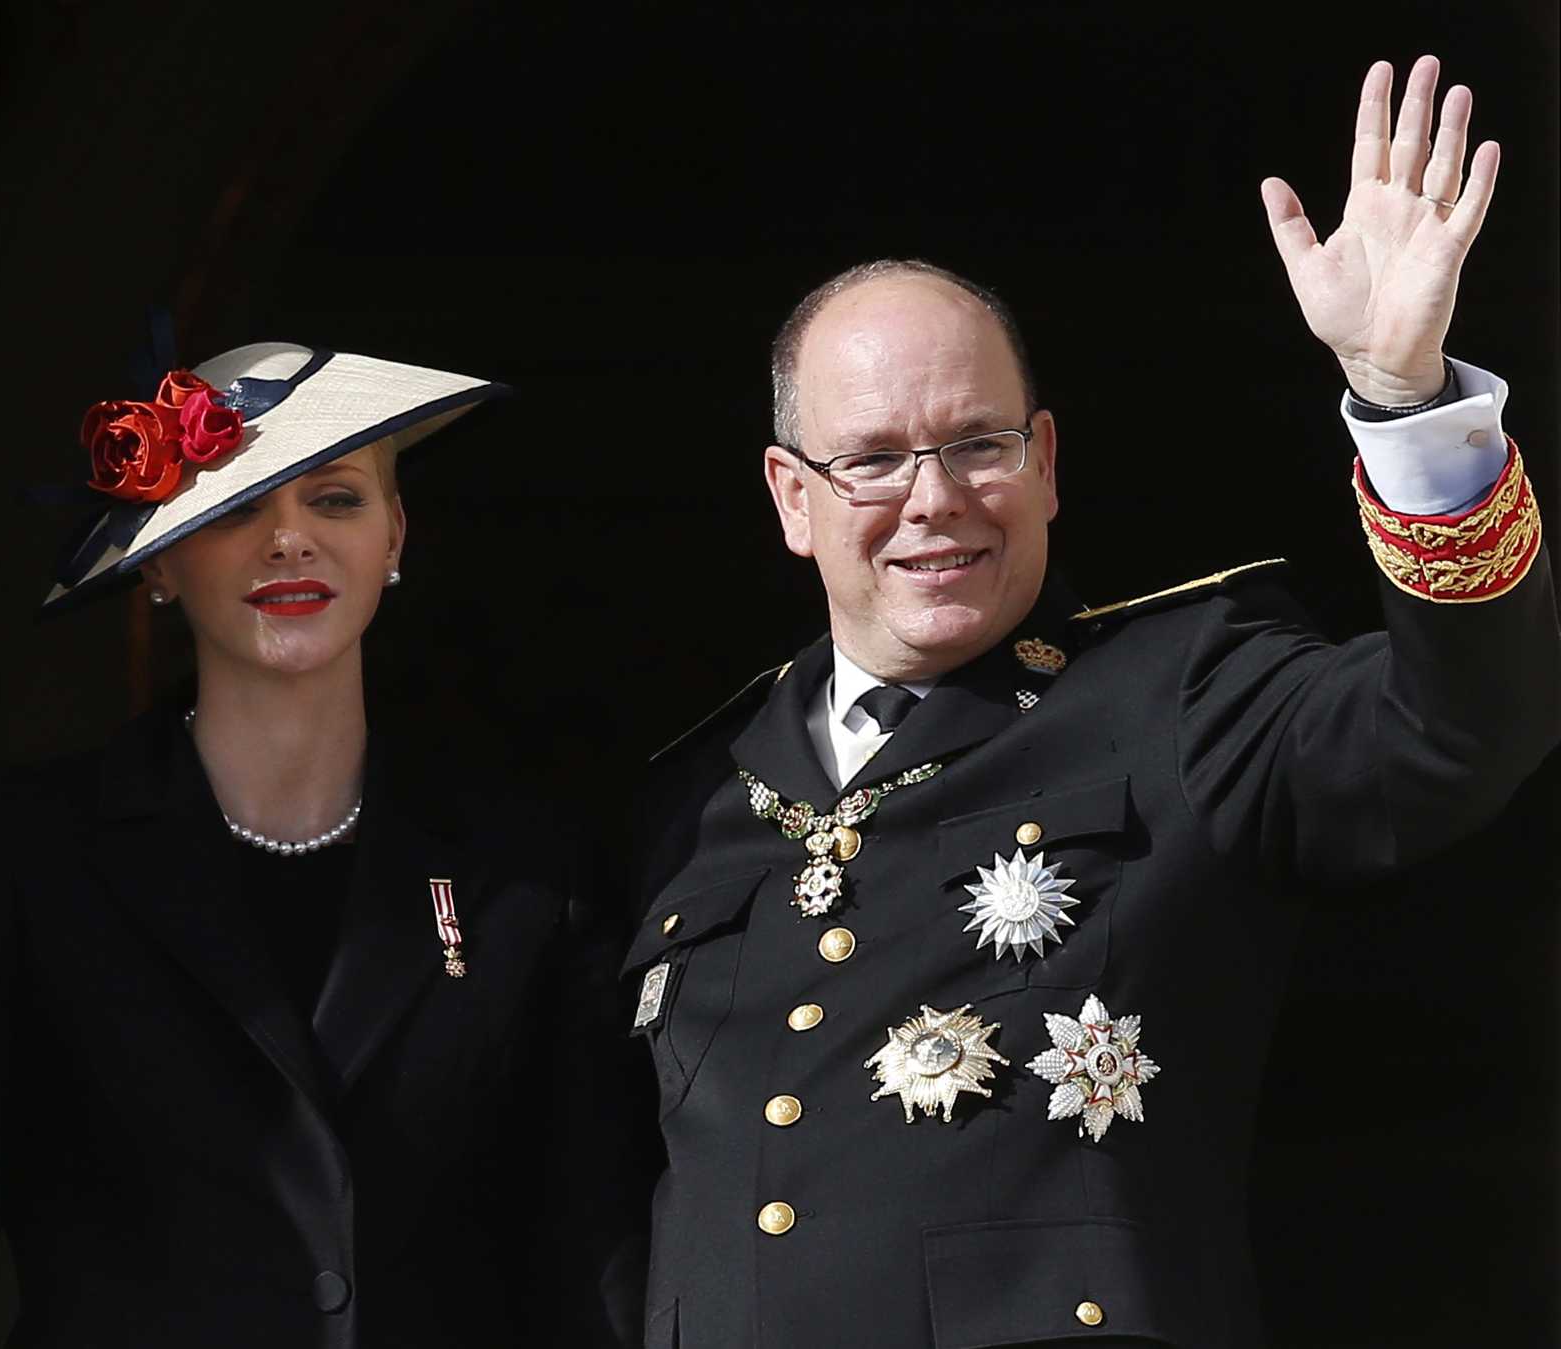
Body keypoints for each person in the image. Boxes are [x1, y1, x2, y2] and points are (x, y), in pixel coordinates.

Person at [625, 55, 1555, 1348]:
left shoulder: (1185, 694)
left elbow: (1459, 728)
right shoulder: (696, 797)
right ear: (793, 496)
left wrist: (1405, 402)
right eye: (875, 460)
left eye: (978, 444)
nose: (935, 499)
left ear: (1046, 461)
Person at [0, 341, 644, 1346]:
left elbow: (594, 1259)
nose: (291, 539)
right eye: (237, 506)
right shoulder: (20, 853)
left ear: (395, 533)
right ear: (159, 560)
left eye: (336, 499)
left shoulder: (527, 866)